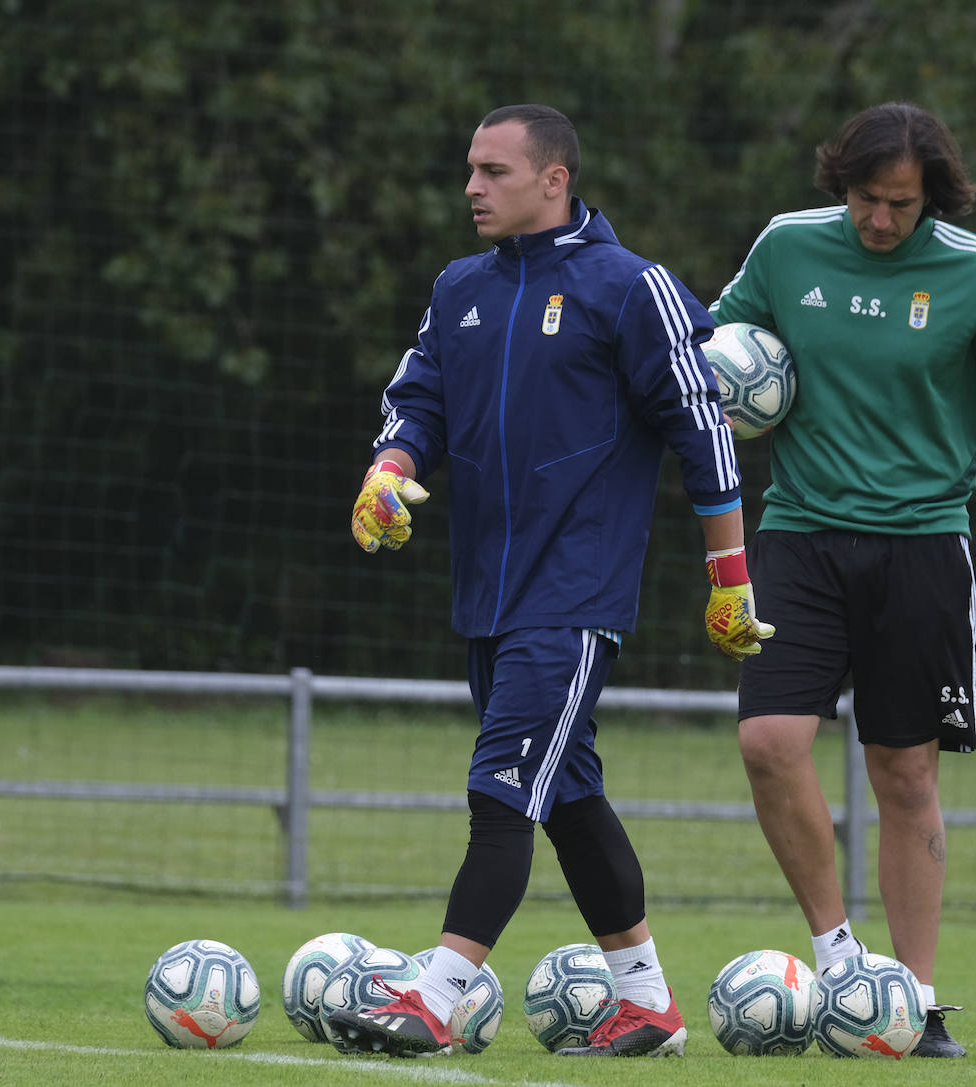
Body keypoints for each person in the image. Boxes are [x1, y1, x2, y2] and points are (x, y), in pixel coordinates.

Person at [331, 103, 773, 1059]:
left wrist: (730, 577)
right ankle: (647, 1004)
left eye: (493, 171)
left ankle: (436, 997)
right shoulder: (459, 289)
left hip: (573, 598)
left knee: (499, 794)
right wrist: (387, 471)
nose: (472, 187)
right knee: (567, 797)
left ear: (554, 179)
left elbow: (704, 432)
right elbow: (417, 402)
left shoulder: (632, 287)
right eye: (470, 169)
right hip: (486, 596)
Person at [709, 101, 976, 1059]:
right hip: (799, 534)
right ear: (841, 183)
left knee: (906, 773)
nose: (880, 219)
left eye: (901, 203)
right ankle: (844, 965)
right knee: (767, 742)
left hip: (922, 546)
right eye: (866, 199)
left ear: (934, 197)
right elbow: (710, 352)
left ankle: (914, 1004)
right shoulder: (787, 248)